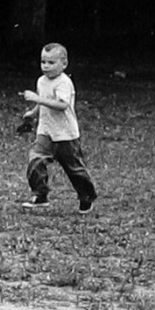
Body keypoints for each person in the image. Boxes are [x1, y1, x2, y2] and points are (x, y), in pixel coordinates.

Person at [19, 42, 97, 213]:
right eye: (43, 62)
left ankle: (86, 197)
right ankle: (40, 195)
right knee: (35, 160)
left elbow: (61, 105)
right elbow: (44, 100)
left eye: (51, 63)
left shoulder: (64, 83)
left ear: (64, 64)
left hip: (65, 135)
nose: (46, 66)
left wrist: (37, 99)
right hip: (45, 131)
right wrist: (33, 112)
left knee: (74, 168)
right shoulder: (41, 81)